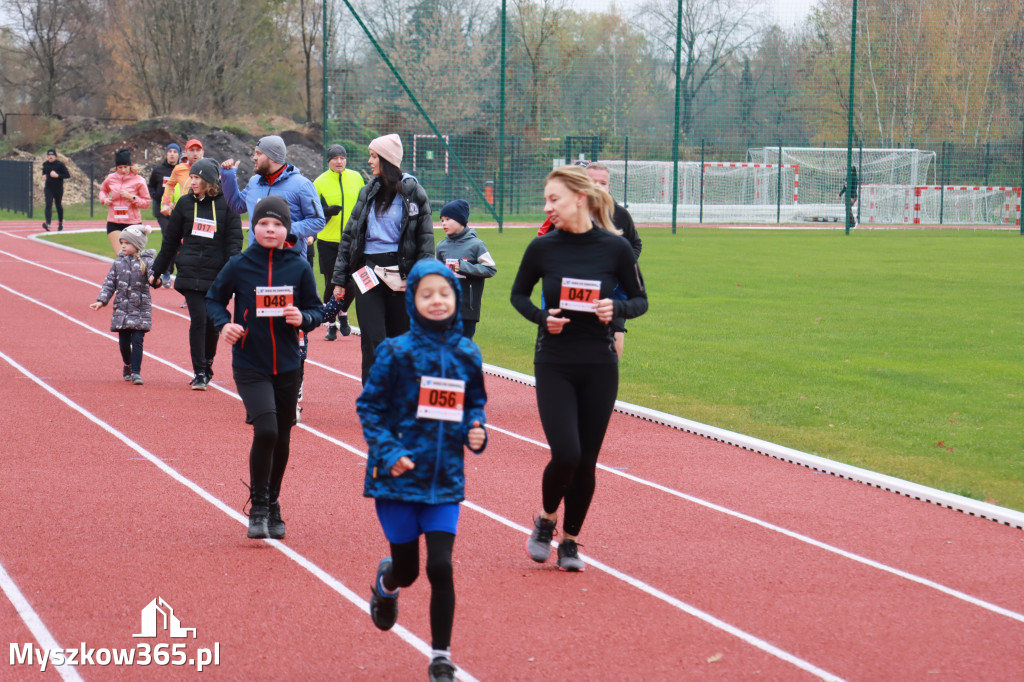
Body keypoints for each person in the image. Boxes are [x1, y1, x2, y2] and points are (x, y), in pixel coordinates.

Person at [510, 165, 647, 572]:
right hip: (554, 361)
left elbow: (640, 301)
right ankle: (546, 519)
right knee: (566, 452)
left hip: (600, 364)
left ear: (579, 199)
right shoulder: (543, 248)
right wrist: (541, 317)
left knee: (587, 459)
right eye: (546, 199)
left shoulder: (615, 248)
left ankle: (570, 541)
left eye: (554, 199)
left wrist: (616, 308)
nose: (547, 207)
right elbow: (519, 295)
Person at [357, 259, 487, 682]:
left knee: (441, 567)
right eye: (427, 293)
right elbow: (369, 408)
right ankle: (386, 584)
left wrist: (475, 428)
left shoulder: (467, 353)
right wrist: (390, 451)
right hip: (396, 481)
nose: (437, 301)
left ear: (456, 298)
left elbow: (474, 404)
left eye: (444, 293)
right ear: (412, 300)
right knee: (408, 571)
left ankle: (441, 657)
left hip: (444, 480)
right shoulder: (395, 352)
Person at [205, 196, 324, 540]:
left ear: (287, 229)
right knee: (268, 429)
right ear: (253, 227)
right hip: (250, 363)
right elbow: (214, 298)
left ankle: (273, 503)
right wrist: (222, 324)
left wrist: (304, 318)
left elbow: (315, 311)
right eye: (263, 224)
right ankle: (258, 505)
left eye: (277, 225)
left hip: (288, 364)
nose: (270, 230)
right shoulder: (239, 264)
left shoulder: (298, 266)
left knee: (283, 434)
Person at [330, 134, 434, 384]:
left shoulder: (414, 193)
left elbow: (425, 241)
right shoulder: (368, 192)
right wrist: (339, 280)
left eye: (374, 156)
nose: (369, 161)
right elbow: (350, 236)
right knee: (373, 338)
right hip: (368, 272)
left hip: (403, 276)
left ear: (388, 160)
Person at [151, 158, 243, 390]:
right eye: (191, 177)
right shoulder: (183, 204)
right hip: (190, 272)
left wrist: (233, 274)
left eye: (197, 178)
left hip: (217, 274)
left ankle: (208, 361)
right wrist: (157, 270)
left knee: (213, 323)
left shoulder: (229, 206)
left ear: (209, 181)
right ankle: (200, 371)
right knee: (199, 319)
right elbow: (170, 242)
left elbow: (234, 244)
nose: (192, 182)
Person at [219, 135, 325, 261]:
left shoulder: (302, 185)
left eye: (259, 154)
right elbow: (237, 206)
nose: (254, 158)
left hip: (289, 262)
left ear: (274, 157)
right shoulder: (254, 182)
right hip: (257, 260)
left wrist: (284, 230)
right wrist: (228, 176)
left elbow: (318, 221)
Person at [583, 162, 642, 358]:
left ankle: (609, 378)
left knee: (616, 329)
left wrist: (622, 268)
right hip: (581, 284)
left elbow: (635, 244)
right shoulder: (572, 213)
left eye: (603, 182)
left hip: (614, 288)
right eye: (593, 181)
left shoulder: (621, 214)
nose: (598, 186)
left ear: (609, 186)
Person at [89, 225, 156, 385]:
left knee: (138, 340)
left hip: (140, 308)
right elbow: (109, 283)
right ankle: (127, 364)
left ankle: (136, 372)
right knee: (124, 342)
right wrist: (101, 300)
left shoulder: (147, 261)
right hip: (122, 309)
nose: (123, 246)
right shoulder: (118, 262)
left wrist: (156, 280)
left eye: (127, 243)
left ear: (138, 244)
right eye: (122, 242)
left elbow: (154, 276)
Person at [314, 143, 365, 340]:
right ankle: (331, 323)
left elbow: (365, 203)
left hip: (352, 239)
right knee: (331, 281)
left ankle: (343, 314)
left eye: (342, 157)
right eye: (335, 158)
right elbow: (312, 211)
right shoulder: (319, 181)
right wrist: (325, 213)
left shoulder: (356, 177)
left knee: (351, 280)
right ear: (329, 161)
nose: (339, 161)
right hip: (328, 240)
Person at [435, 199, 496, 340]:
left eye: (448, 219)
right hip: (445, 307)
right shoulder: (441, 246)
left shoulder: (476, 245)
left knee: (462, 346)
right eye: (442, 220)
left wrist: (463, 267)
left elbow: (490, 269)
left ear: (460, 220)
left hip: (467, 309)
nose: (443, 223)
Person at [99, 149, 152, 257]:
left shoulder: (139, 180)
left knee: (134, 257)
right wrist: (104, 199)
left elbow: (146, 203)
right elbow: (103, 190)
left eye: (125, 167)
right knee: (122, 256)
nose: (123, 170)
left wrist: (132, 197)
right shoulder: (111, 178)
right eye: (120, 167)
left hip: (133, 223)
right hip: (114, 222)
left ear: (130, 166)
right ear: (116, 167)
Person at [148, 142, 181, 285]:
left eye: (175, 152)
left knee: (175, 240)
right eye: (170, 151)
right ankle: (166, 271)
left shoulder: (181, 170)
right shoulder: (158, 170)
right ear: (166, 154)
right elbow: (150, 186)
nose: (172, 154)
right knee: (168, 235)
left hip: (178, 210)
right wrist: (156, 196)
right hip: (162, 210)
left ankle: (169, 268)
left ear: (179, 155)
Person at [161, 139, 204, 216]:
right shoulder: (179, 169)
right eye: (191, 150)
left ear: (202, 152)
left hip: (204, 209)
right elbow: (170, 185)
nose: (195, 154)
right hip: (185, 210)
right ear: (186, 153)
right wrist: (166, 203)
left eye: (198, 150)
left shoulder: (210, 167)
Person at [40, 149, 70, 232]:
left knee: (58, 205)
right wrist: (43, 176)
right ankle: (48, 224)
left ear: (55, 156)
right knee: (48, 204)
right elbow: (44, 173)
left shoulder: (60, 164)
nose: (50, 156)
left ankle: (60, 223)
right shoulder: (45, 164)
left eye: (52, 155)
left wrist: (57, 175)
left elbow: (67, 175)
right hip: (48, 187)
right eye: (49, 155)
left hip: (58, 188)